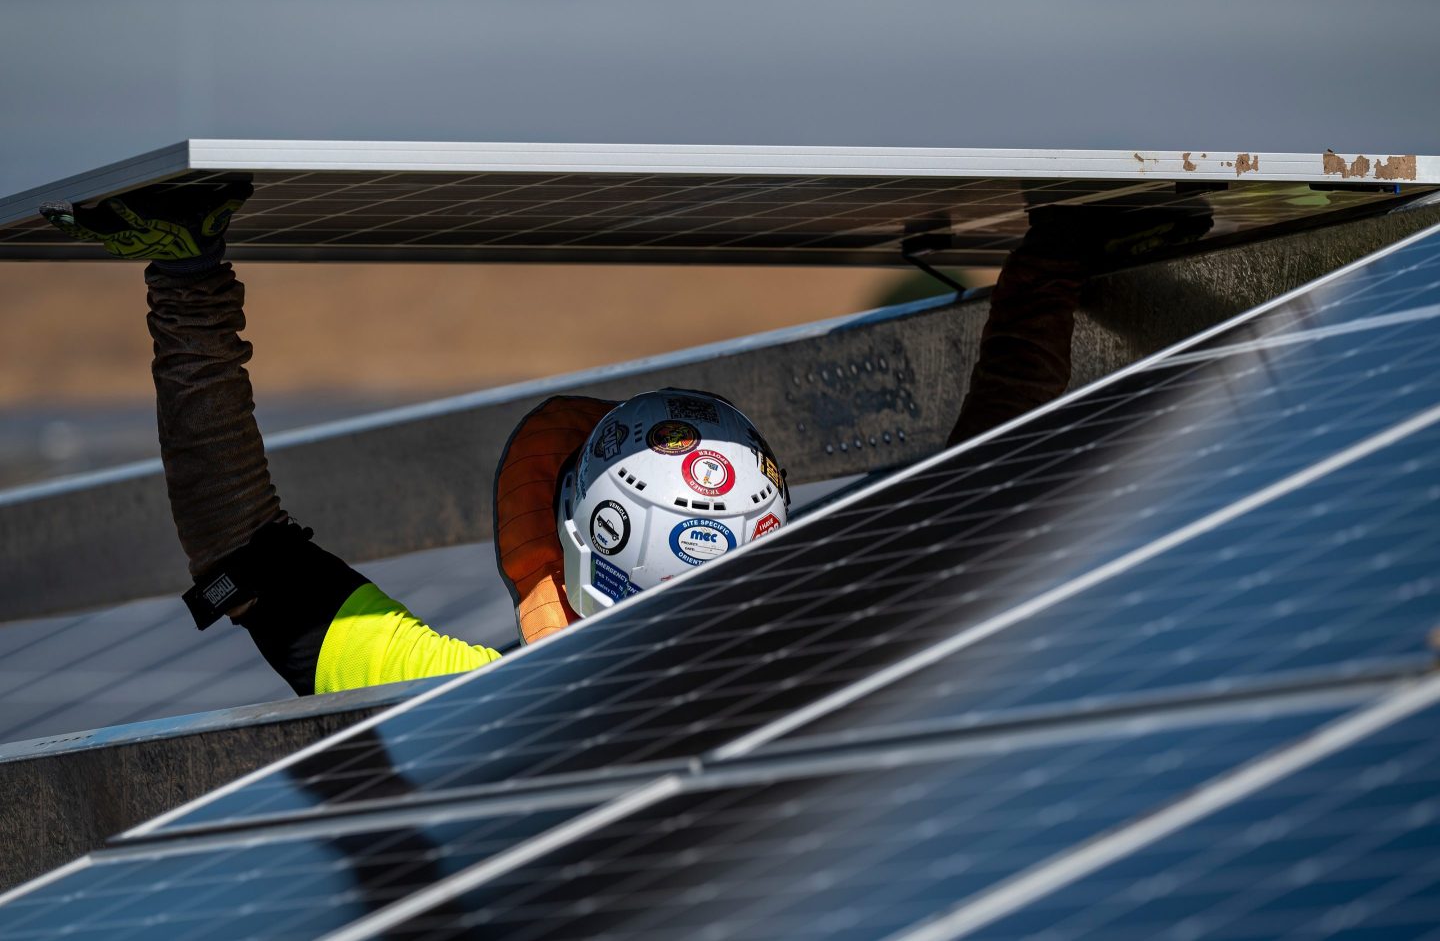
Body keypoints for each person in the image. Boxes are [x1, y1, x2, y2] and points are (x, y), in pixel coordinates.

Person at [39, 183, 1187, 696]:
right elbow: (991, 479)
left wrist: (189, 272)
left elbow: (248, 553)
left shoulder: (462, 700)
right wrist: (1051, 263)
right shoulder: (873, 666)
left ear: (577, 539)